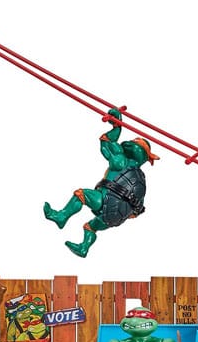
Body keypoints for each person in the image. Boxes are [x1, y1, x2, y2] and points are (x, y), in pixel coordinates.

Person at [43, 108, 159, 257]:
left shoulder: (121, 160)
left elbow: (106, 142)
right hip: (116, 218)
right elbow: (138, 209)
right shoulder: (141, 178)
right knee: (90, 227)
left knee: (81, 195)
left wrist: (117, 126)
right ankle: (84, 248)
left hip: (105, 201)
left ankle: (62, 217)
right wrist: (123, 211)